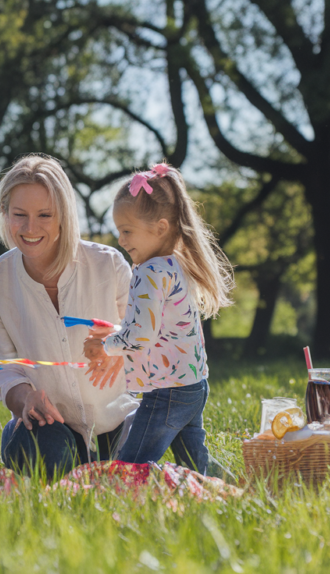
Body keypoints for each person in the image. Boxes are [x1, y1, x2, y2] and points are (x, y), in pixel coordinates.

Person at [0, 154, 138, 479]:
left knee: (142, 460)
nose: (31, 228)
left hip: (118, 416)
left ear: (64, 216)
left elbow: (140, 339)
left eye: (45, 214)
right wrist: (24, 398)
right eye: (19, 215)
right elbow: (2, 368)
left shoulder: (109, 265)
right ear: (5, 213)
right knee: (50, 454)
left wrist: (115, 349)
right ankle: (55, 458)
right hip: (49, 425)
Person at [83, 163, 234, 474]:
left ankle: (118, 506)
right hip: (192, 383)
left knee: (131, 464)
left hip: (166, 389)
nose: (122, 240)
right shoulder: (178, 263)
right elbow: (160, 327)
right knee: (195, 464)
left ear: (161, 227)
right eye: (118, 232)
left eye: (127, 231)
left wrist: (105, 346)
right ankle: (230, 495)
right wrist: (116, 333)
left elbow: (140, 336)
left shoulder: (149, 272)